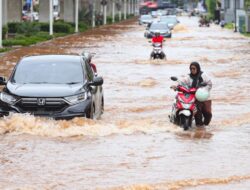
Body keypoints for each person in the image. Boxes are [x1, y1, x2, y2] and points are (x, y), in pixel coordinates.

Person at [172, 62, 212, 127]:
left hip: (204, 97)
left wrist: (202, 90)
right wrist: (176, 86)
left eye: (194, 68)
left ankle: (206, 128)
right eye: (191, 69)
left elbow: (209, 84)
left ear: (198, 68)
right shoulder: (188, 77)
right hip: (193, 97)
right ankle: (199, 128)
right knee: (197, 113)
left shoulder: (204, 75)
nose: (192, 70)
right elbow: (181, 82)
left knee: (208, 113)